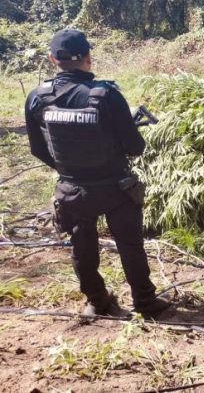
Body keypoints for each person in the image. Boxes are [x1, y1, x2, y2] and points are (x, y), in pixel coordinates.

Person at [24, 28, 170, 318]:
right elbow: (136, 148)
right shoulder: (106, 95)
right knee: (130, 245)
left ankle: (96, 301)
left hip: (71, 190)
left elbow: (38, 149)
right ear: (88, 58)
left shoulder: (37, 98)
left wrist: (68, 169)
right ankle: (145, 302)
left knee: (82, 246)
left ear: (53, 60)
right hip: (116, 188)